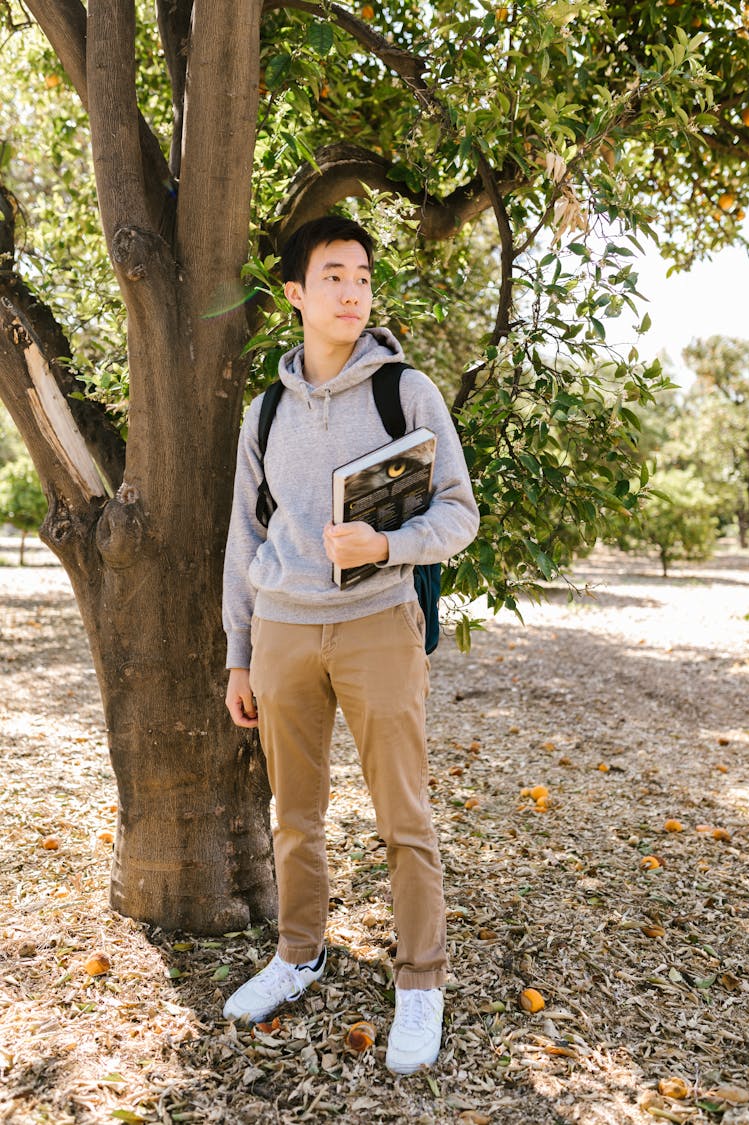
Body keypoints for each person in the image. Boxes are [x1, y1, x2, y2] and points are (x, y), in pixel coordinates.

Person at [221, 215, 479, 1074]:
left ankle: (420, 982)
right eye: (333, 275)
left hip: (379, 625)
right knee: (293, 818)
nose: (352, 291)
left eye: (363, 276)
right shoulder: (265, 411)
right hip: (284, 630)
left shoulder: (403, 390)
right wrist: (239, 652)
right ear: (294, 293)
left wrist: (386, 546)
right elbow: (241, 539)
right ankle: (299, 954)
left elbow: (458, 512)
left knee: (404, 817)